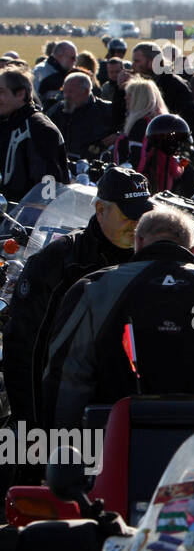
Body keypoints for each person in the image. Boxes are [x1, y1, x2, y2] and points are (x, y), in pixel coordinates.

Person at [42, 207, 194, 448]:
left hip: (114, 452)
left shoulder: (94, 288)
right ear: (192, 250)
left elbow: (68, 379)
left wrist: (63, 457)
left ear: (138, 243)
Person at [2, 167, 151, 480]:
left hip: (128, 416)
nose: (136, 224)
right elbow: (23, 349)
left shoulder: (149, 261)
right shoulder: (57, 263)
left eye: (143, 215)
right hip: (62, 418)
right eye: (128, 215)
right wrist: (32, 426)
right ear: (100, 210)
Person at [0, 64, 70, 203]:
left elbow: (47, 191)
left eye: (1, 92)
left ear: (20, 93)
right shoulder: (6, 123)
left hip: (21, 220)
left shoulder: (40, 129)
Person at [48, 71, 115, 160]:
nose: (66, 95)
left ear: (86, 91)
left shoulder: (107, 111)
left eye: (71, 91)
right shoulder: (57, 111)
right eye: (64, 91)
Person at [115, 77, 166, 167]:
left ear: (140, 98)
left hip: (139, 179)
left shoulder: (141, 124)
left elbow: (136, 160)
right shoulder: (155, 121)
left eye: (130, 95)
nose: (125, 97)